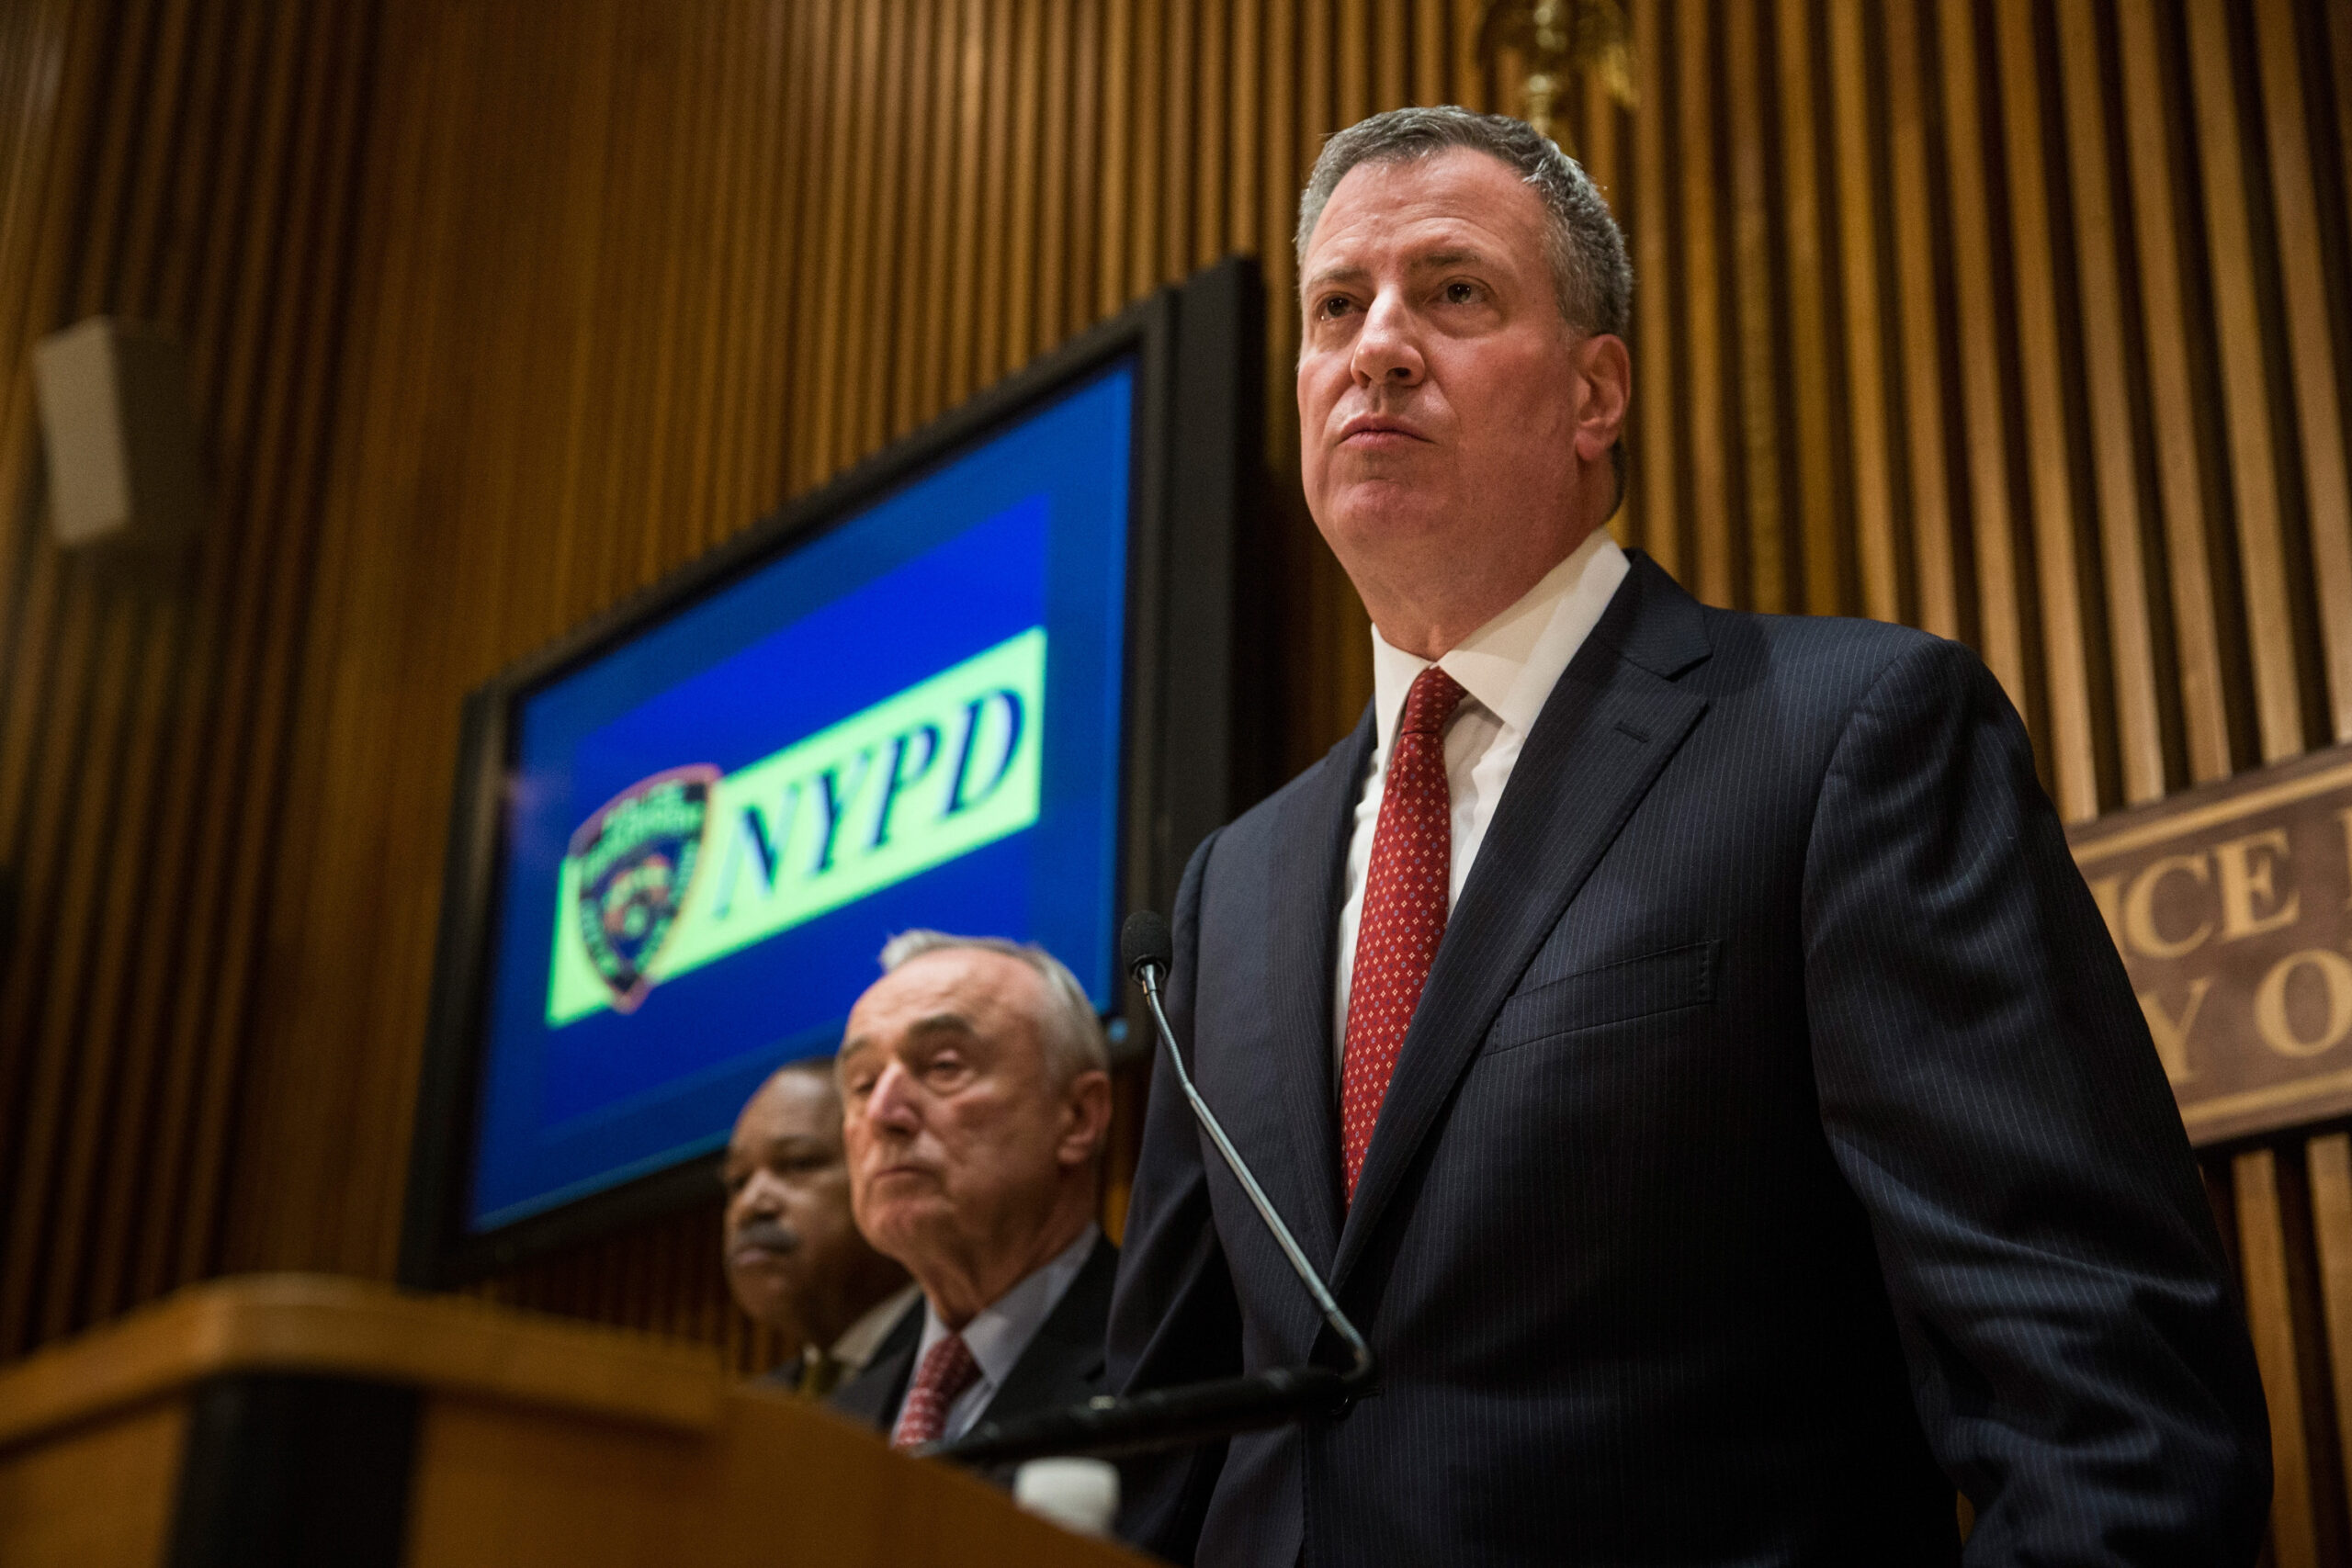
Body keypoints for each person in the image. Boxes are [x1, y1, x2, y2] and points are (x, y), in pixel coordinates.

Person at [1107, 106, 2269, 1565]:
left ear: (1599, 395)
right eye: (1337, 304)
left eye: (1454, 291)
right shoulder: (1232, 886)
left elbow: (2104, 1393)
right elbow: (1156, 1445)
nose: (1378, 344)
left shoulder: (1849, 735)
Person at [827, 930, 1117, 1465]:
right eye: (863, 1083)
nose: (883, 1114)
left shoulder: (1172, 1359)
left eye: (943, 1067)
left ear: (1078, 1117)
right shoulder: (828, 1429)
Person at [721, 1058, 916, 1397]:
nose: (749, 1205)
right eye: (738, 1181)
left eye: (798, 1163)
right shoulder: (756, 1412)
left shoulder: (963, 1368)